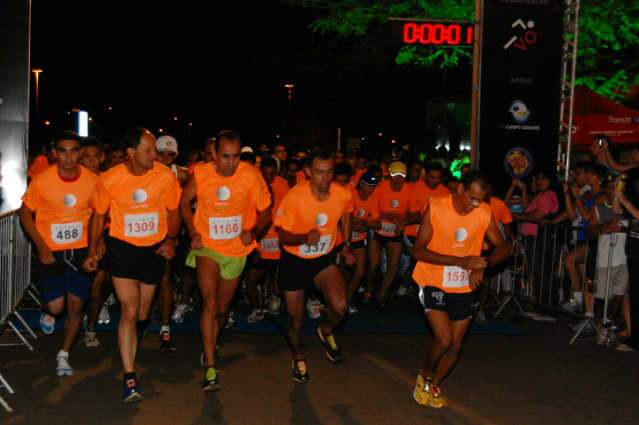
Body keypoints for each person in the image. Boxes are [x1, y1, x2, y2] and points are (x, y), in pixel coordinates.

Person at [180, 130, 272, 392]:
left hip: (235, 251)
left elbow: (266, 210)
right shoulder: (202, 174)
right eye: (225, 157)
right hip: (207, 247)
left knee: (221, 309)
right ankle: (210, 366)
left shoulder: (250, 175)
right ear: (215, 155)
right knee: (208, 300)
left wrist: (253, 232)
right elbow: (184, 202)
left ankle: (212, 339)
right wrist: (192, 232)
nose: (230, 163)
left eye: (235, 157)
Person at [412, 171, 511, 408]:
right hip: (432, 278)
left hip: (463, 283)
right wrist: (460, 261)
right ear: (459, 190)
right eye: (472, 199)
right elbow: (418, 252)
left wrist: (483, 266)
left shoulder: (484, 212)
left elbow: (504, 247)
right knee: (444, 340)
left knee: (456, 343)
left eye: (481, 199)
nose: (476, 204)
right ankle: (424, 374)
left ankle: (434, 383)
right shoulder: (435, 208)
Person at [99, 128, 181, 402]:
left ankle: (134, 338)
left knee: (144, 313)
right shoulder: (110, 178)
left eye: (154, 149)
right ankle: (129, 377)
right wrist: (94, 246)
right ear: (131, 153)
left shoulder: (164, 176)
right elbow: (98, 215)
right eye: (148, 149)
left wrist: (171, 240)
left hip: (153, 250)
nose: (154, 154)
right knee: (129, 310)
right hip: (121, 248)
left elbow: (173, 211)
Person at [19, 131, 110, 376]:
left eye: (73, 151)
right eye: (63, 151)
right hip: (51, 251)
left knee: (76, 305)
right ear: (55, 153)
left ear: (80, 153)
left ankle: (64, 354)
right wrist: (41, 246)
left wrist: (94, 247)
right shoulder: (42, 180)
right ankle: (47, 311)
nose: (68, 157)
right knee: (57, 307)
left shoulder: (92, 181)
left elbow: (99, 213)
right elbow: (25, 213)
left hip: (80, 250)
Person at [275, 148, 355, 382]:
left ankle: (326, 330)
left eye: (329, 172)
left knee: (341, 307)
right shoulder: (295, 197)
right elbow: (282, 237)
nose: (325, 179)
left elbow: (347, 214)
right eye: (319, 173)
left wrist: (346, 245)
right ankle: (299, 357)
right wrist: (302, 238)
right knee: (296, 320)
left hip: (322, 259)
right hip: (294, 261)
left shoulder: (342, 194)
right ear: (308, 172)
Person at [154, 135, 189, 352]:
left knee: (165, 279)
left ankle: (165, 328)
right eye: (161, 153)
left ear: (175, 155)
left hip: (169, 235)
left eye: (170, 154)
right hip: (143, 234)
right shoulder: (144, 171)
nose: (165, 158)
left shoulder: (183, 175)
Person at [245, 157, 289, 322]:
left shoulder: (283, 185)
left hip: (278, 242)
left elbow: (289, 210)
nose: (269, 178)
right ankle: (257, 308)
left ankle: (275, 297)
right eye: (266, 174)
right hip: (260, 242)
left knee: (278, 284)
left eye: (272, 174)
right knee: (251, 280)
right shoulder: (253, 183)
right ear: (260, 172)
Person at [368, 161, 417, 304]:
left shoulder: (410, 190)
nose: (398, 178)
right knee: (374, 265)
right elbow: (371, 206)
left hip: (395, 232)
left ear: (405, 176)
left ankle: (381, 293)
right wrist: (387, 216)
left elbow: (416, 215)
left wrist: (405, 222)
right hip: (378, 229)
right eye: (395, 175)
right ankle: (369, 287)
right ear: (389, 174)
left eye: (401, 175)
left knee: (393, 265)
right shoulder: (380, 188)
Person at [79, 136, 111, 348]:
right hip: (76, 239)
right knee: (79, 288)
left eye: (94, 157)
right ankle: (77, 315)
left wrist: (99, 239)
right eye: (85, 157)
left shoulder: (109, 180)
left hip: (103, 237)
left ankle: (91, 327)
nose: (90, 161)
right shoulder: (74, 180)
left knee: (97, 287)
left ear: (102, 158)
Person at [347, 172, 381, 312]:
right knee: (343, 272)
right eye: (369, 186)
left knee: (360, 271)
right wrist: (355, 224)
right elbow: (342, 220)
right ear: (361, 184)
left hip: (359, 240)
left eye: (373, 186)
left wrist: (365, 222)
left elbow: (378, 224)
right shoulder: (350, 196)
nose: (371, 189)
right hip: (344, 240)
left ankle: (347, 299)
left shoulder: (372, 201)